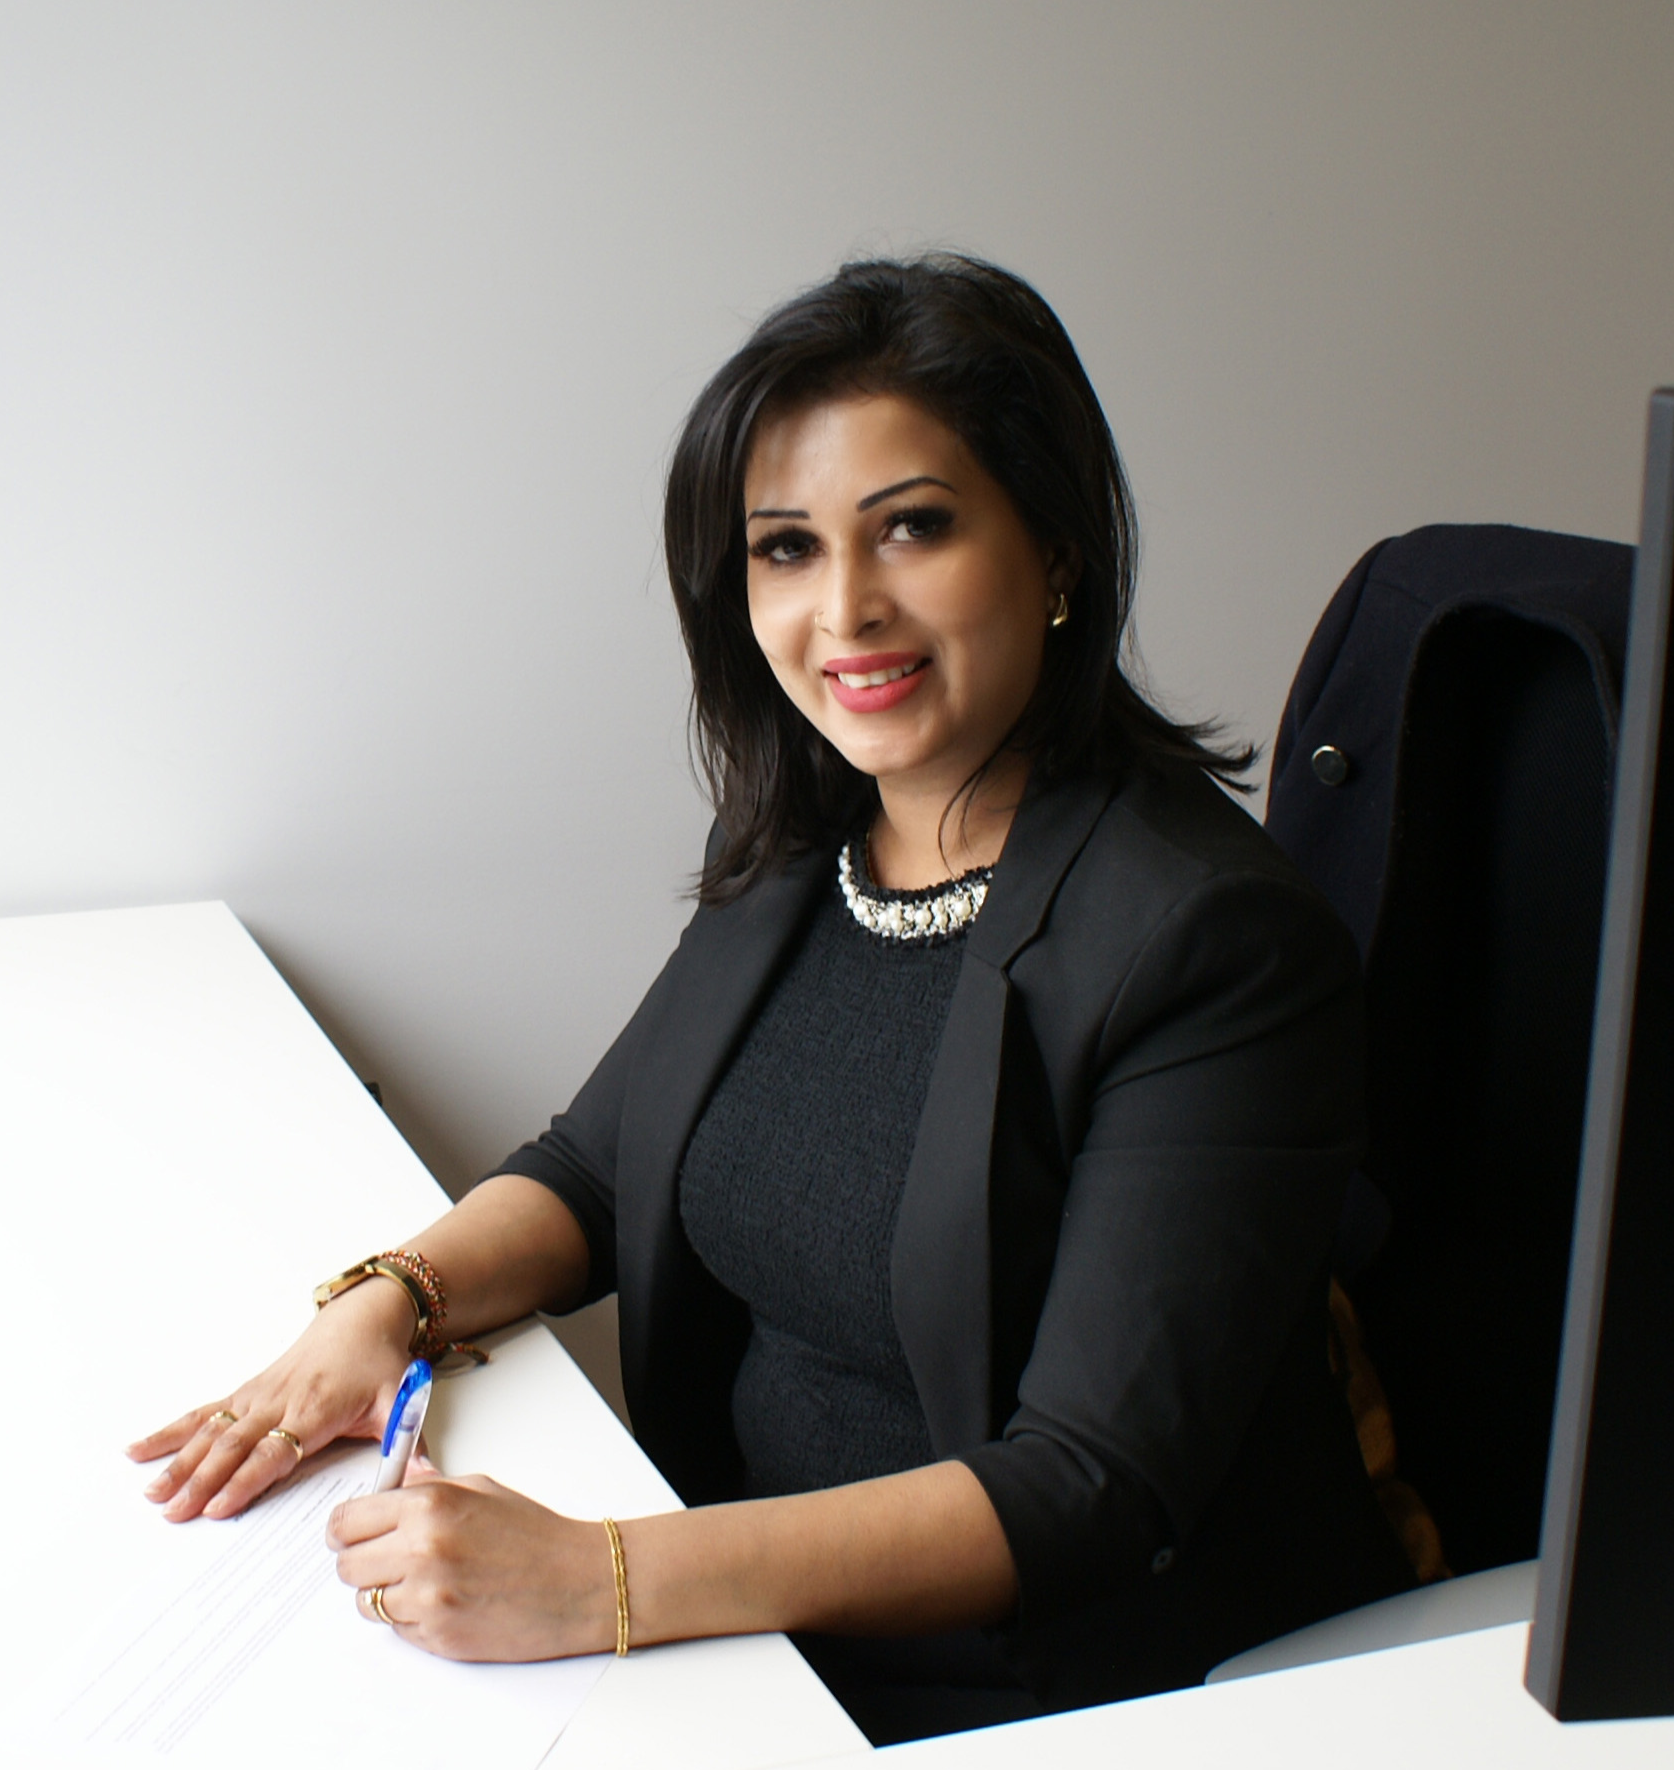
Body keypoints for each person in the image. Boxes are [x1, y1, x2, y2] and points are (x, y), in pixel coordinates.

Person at [130, 255, 1412, 1744]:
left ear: (1054, 550)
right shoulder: (818, 842)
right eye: (785, 549)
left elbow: (1087, 1486)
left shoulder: (1212, 941)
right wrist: (388, 1302)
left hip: (1032, 1688)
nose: (844, 610)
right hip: (742, 1634)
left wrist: (599, 1578)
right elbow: (596, 1167)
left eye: (912, 529)